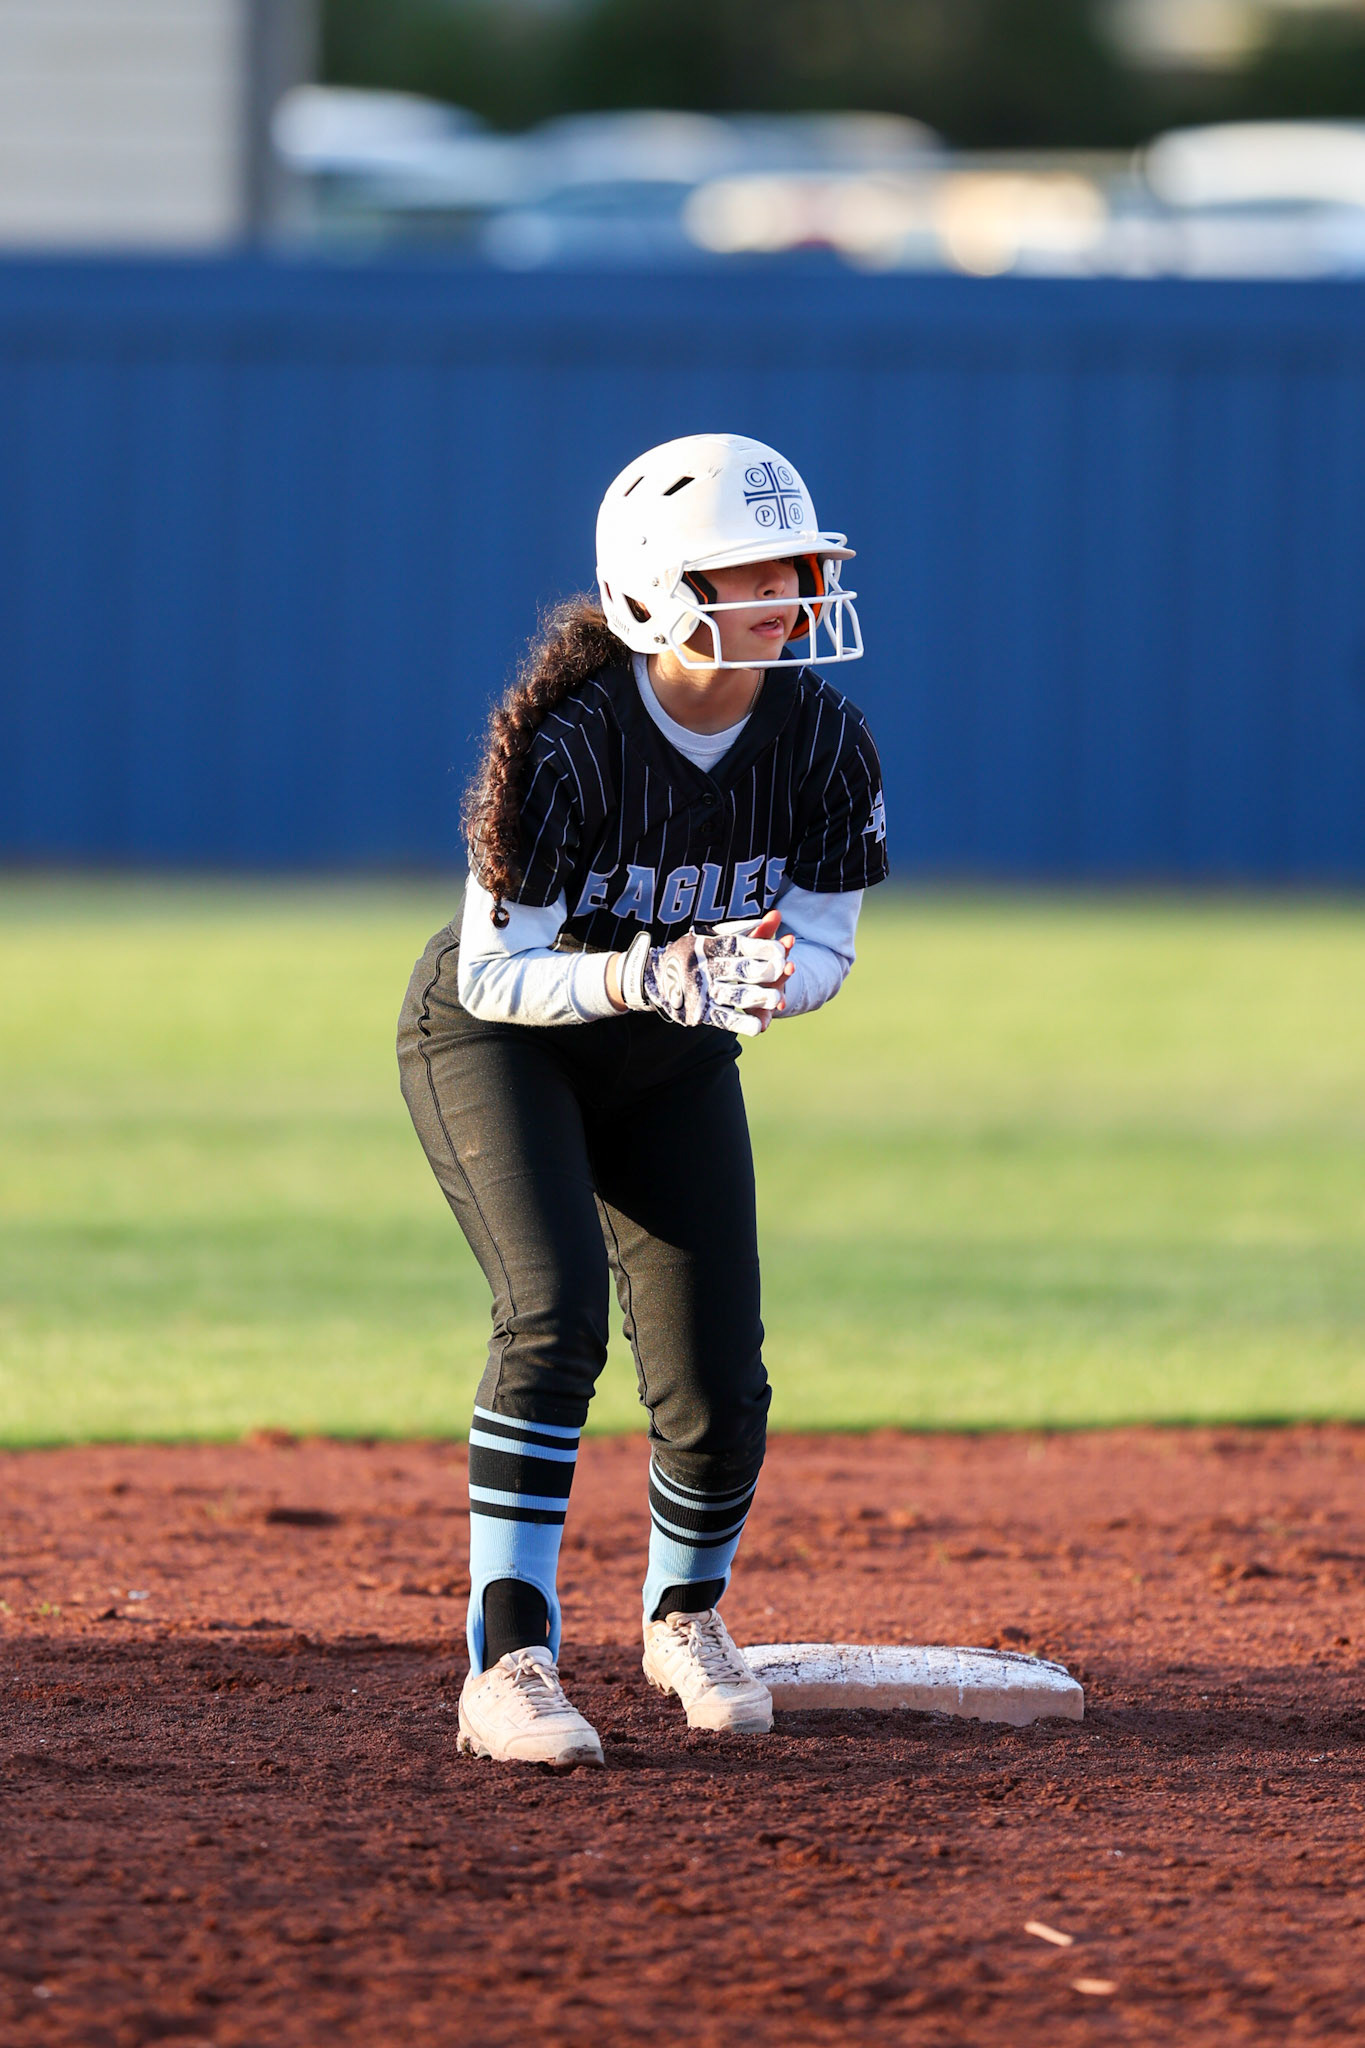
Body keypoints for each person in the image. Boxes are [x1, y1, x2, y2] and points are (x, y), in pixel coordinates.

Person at [397, 432, 887, 1769]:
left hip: (670, 1051)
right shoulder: (568, 742)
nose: (790, 594)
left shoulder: (822, 737)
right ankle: (507, 1662)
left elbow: (825, 944)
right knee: (551, 1316)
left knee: (719, 1375)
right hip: (506, 1041)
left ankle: (685, 1619)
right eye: (753, 571)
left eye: (795, 568)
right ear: (661, 588)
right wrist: (655, 971)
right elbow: (495, 974)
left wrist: (756, 981)